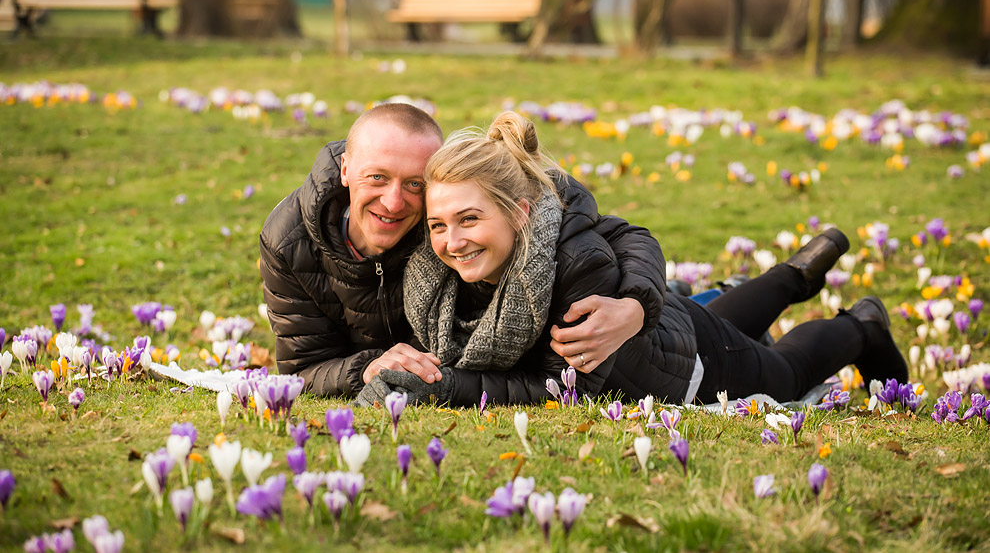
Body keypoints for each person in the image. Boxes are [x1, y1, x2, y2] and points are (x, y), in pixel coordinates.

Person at [355, 112, 908, 407]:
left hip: (691, 365)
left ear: (521, 214)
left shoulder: (573, 269)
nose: (451, 241)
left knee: (785, 373)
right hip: (671, 323)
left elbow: (558, 386)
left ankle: (859, 325)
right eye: (438, 225)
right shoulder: (438, 276)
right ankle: (790, 276)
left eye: (470, 219)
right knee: (726, 316)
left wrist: (447, 386)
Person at [260, 102, 665, 397]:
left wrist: (637, 306)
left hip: (658, 349)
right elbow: (302, 369)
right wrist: (366, 368)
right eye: (377, 178)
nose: (395, 202)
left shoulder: (445, 213)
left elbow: (609, 234)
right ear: (346, 169)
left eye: (415, 184)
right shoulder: (288, 241)